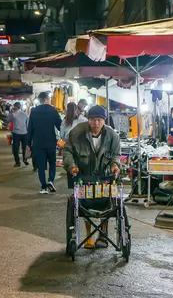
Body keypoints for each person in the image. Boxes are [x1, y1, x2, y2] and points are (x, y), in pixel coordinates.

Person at [63, 105, 121, 249]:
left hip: (104, 177)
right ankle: (89, 236)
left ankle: (102, 235)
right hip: (84, 176)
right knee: (84, 204)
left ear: (104, 121)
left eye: (99, 120)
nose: (96, 123)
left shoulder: (112, 135)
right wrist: (71, 166)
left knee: (106, 203)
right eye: (93, 120)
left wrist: (115, 165)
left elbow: (116, 155)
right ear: (88, 120)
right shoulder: (76, 133)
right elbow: (67, 152)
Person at [27, 92, 61, 194]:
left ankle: (43, 187)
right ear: (47, 99)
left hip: (38, 143)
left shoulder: (33, 111)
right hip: (51, 142)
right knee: (52, 164)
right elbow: (59, 125)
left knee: (41, 166)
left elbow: (30, 129)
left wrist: (28, 143)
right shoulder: (53, 110)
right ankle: (50, 180)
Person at [7, 102, 29, 167]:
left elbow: (7, 120)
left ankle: (17, 162)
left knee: (15, 148)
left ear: (15, 107)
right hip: (25, 133)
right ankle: (25, 159)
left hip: (16, 133)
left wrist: (11, 112)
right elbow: (27, 124)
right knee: (24, 147)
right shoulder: (25, 114)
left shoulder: (13, 114)